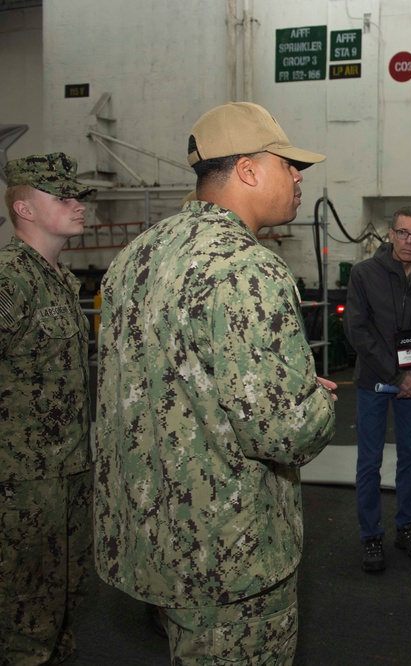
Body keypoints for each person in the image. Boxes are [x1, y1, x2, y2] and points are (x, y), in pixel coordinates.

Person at [95, 102, 338, 665]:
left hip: (153, 542)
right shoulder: (248, 267)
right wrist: (315, 401)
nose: (299, 178)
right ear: (249, 171)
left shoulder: (135, 257)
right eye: (287, 165)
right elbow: (287, 433)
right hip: (230, 557)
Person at [0, 153, 96, 664]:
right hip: (22, 484)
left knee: (64, 603)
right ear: (25, 209)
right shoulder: (9, 281)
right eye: (62, 198)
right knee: (25, 614)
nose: (77, 206)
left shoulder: (58, 278)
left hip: (70, 472)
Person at [344, 206, 411, 572]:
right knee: (369, 462)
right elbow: (357, 332)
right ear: (390, 234)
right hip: (374, 381)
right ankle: (371, 534)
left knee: (410, 458)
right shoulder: (364, 274)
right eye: (402, 233)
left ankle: (407, 526)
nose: (409, 241)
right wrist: (395, 376)